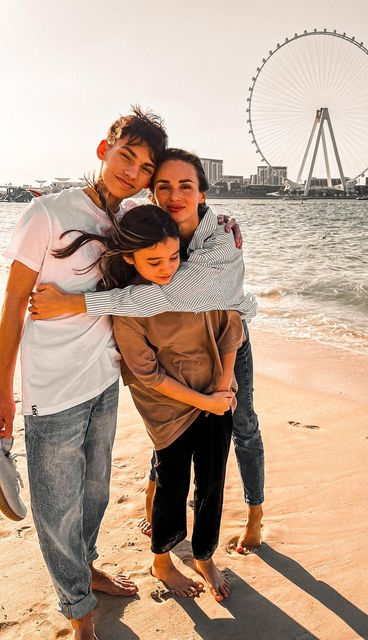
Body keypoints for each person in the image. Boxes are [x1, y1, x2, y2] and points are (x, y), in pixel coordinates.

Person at [30, 148, 265, 554]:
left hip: (226, 338)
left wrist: (75, 303)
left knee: (242, 425)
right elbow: (108, 222)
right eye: (164, 186)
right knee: (170, 426)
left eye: (186, 186)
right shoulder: (148, 225)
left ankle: (255, 513)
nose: (175, 195)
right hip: (173, 341)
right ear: (152, 193)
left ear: (203, 193)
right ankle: (156, 501)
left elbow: (163, 296)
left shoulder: (222, 240)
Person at [0, 107, 168, 640]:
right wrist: (2, 389)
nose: (132, 172)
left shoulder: (129, 222)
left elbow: (166, 265)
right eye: (126, 156)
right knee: (56, 509)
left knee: (95, 493)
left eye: (145, 167)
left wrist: (224, 229)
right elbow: (13, 305)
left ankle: (88, 568)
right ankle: (78, 611)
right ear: (104, 150)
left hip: (103, 380)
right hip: (52, 392)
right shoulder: (48, 213)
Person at [64, 203, 243, 601]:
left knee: (212, 482)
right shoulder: (128, 307)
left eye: (174, 257)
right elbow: (149, 375)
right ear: (130, 258)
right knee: (171, 485)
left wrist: (222, 387)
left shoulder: (197, 282)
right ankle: (161, 560)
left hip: (217, 395)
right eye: (154, 261)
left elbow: (231, 324)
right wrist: (204, 401)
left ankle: (204, 556)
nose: (167, 268)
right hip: (169, 412)